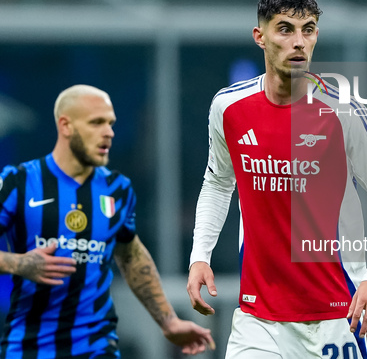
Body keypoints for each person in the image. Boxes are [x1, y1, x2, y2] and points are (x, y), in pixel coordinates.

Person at [186, 0, 367, 358]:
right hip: (259, 318)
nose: (298, 42)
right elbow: (218, 182)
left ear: (316, 35)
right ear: (260, 36)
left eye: (307, 30)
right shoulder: (229, 108)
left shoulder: (344, 112)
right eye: (285, 29)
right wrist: (199, 255)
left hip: (336, 315)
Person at [0, 85, 215, 358]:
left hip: (97, 348)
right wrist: (17, 263)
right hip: (29, 348)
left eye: (111, 123)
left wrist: (169, 321)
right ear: (65, 125)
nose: (109, 132)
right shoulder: (18, 182)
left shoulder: (117, 188)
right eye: (96, 123)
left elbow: (132, 255)